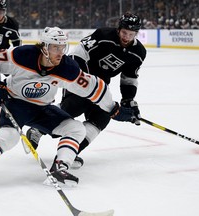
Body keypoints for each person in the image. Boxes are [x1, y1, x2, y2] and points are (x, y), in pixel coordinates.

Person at [0, 26, 135, 190]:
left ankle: (60, 168)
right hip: (15, 105)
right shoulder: (22, 55)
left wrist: (112, 108)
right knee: (10, 136)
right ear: (44, 47)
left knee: (76, 128)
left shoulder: (67, 67)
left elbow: (94, 86)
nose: (60, 52)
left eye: (63, 47)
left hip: (42, 109)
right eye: (56, 47)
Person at [26, 12, 147, 169]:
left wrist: (128, 100)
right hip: (79, 80)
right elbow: (78, 54)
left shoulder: (138, 53)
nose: (126, 37)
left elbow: (129, 78)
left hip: (101, 88)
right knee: (73, 107)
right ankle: (38, 129)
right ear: (118, 29)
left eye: (131, 34)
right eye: (124, 32)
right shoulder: (103, 35)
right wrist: (83, 81)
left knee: (102, 117)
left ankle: (71, 152)